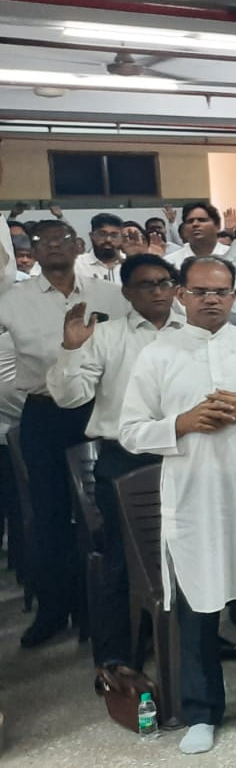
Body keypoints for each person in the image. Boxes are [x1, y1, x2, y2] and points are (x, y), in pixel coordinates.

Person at [119, 256, 236, 755]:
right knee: (198, 611)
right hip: (195, 502)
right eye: (201, 291)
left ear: (234, 296)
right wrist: (180, 424)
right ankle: (202, 712)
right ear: (181, 294)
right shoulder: (157, 355)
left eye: (221, 292)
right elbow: (130, 431)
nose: (211, 300)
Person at [45, 254, 185, 668]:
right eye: (147, 284)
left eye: (165, 282)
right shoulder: (106, 336)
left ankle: (192, 638)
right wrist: (72, 349)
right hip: (127, 461)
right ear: (127, 292)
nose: (158, 291)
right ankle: (117, 656)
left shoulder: (193, 332)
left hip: (184, 455)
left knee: (189, 552)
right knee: (123, 560)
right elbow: (70, 397)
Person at [0, 219, 129, 647]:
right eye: (42, 241)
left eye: (62, 239)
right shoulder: (12, 300)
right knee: (50, 515)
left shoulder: (109, 294)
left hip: (101, 406)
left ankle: (112, 608)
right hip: (45, 413)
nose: (53, 246)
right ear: (32, 251)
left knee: (111, 508)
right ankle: (56, 609)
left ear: (78, 246)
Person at [163, 201, 236, 274]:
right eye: (190, 221)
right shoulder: (170, 262)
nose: (195, 224)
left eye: (202, 220)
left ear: (217, 226)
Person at [75, 212, 125, 284]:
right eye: (102, 234)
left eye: (114, 235)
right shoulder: (77, 265)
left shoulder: (131, 264)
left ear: (122, 238)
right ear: (91, 236)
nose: (108, 239)